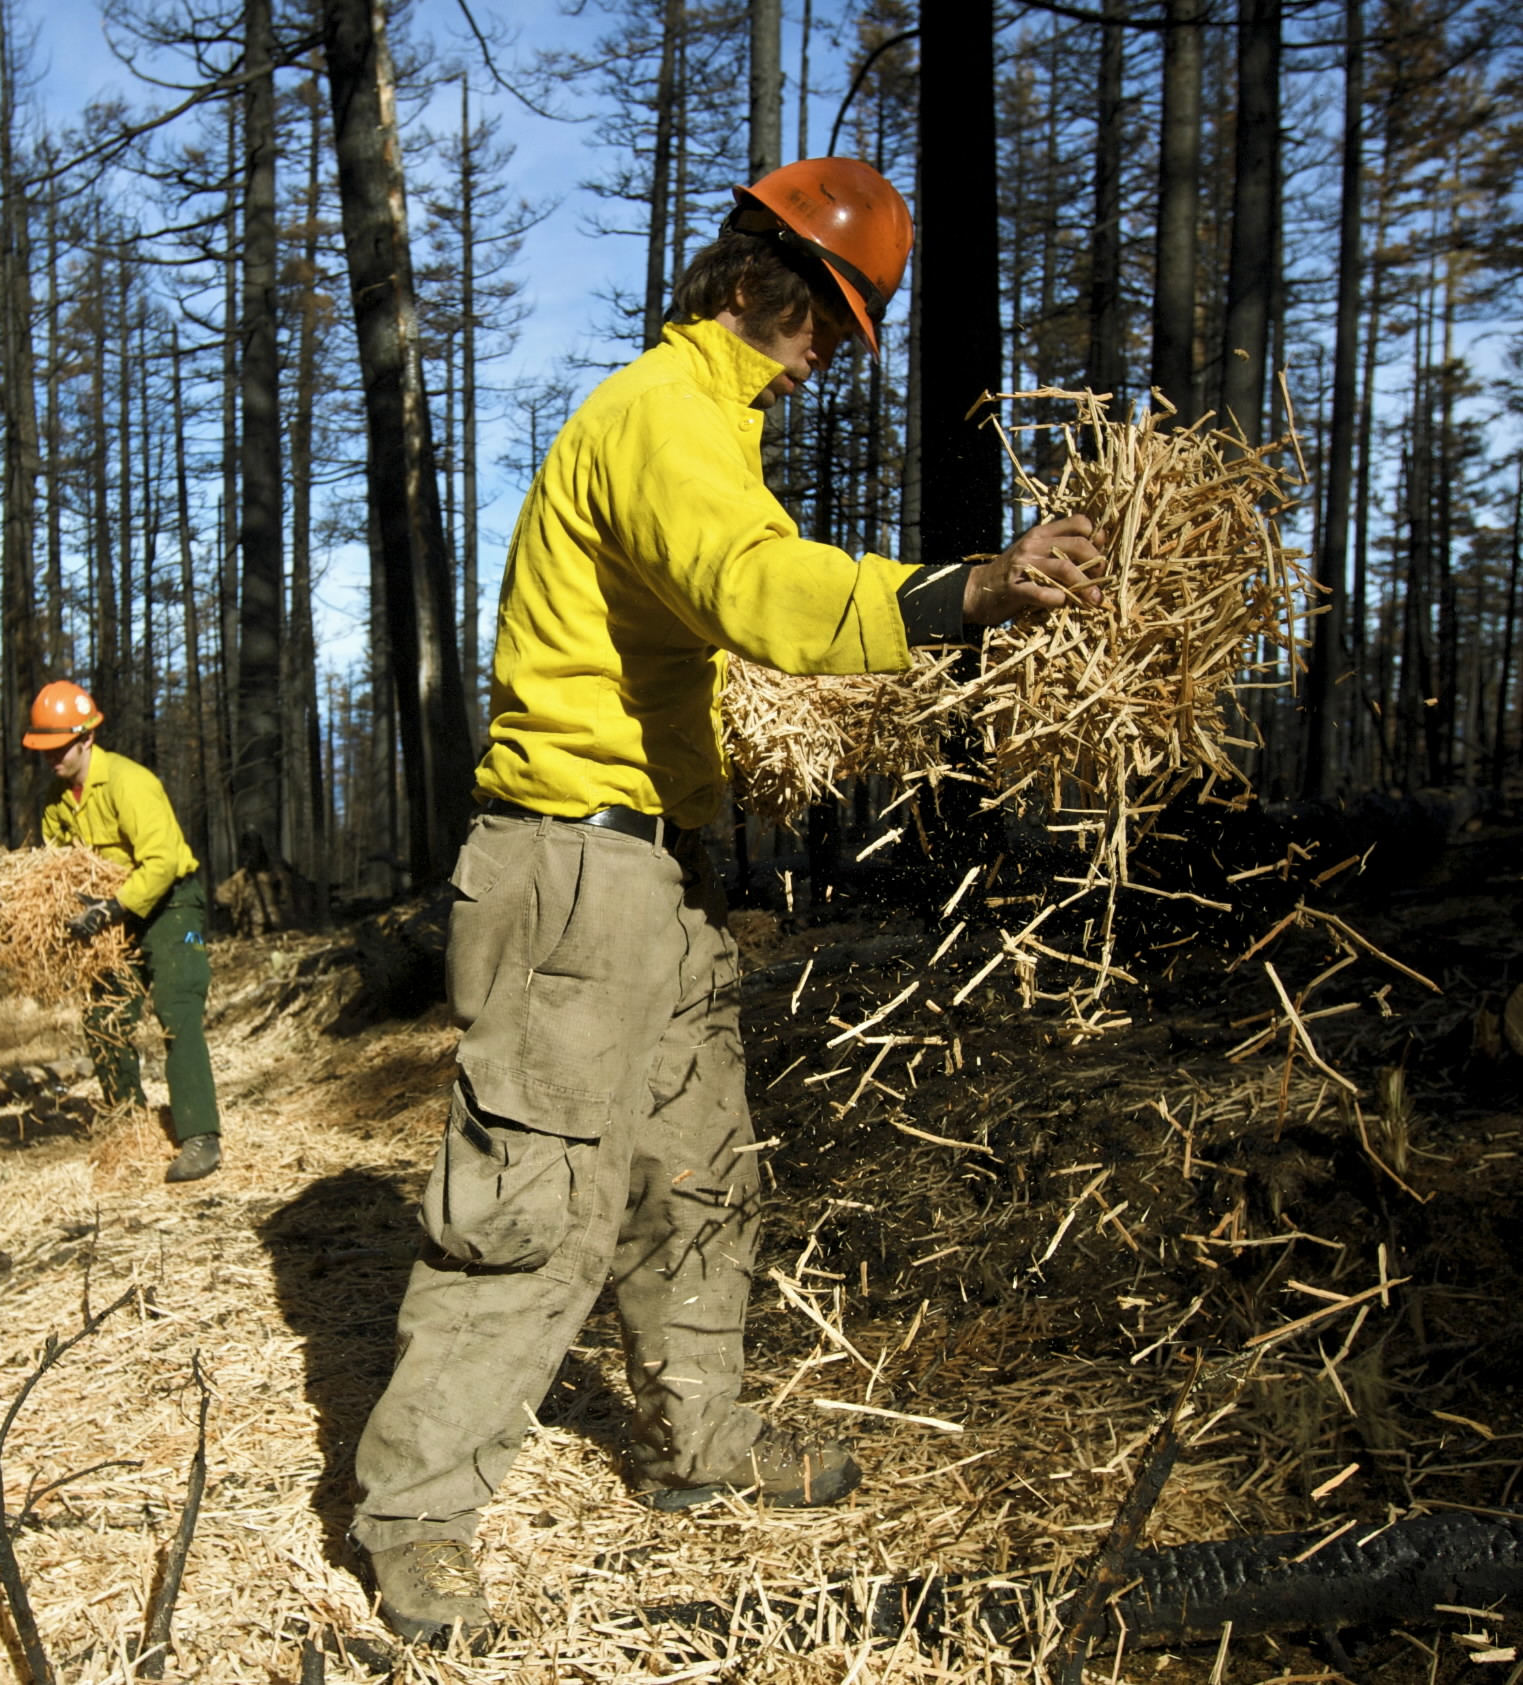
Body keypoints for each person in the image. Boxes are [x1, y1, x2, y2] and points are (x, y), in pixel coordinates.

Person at [349, 157, 1104, 1649]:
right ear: (758, 280)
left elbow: (710, 614)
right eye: (825, 315)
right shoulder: (661, 416)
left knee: (695, 1171)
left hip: (649, 870)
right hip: (569, 867)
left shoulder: (705, 422)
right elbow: (753, 587)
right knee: (534, 1208)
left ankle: (698, 1444)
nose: (826, 351)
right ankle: (414, 1517)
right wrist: (962, 592)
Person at [25, 680, 222, 1184]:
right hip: (111, 912)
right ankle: (125, 1119)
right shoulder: (55, 799)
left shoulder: (131, 783)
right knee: (103, 1013)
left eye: (57, 748)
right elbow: (60, 865)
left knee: (177, 1009)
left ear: (86, 738)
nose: (49, 758)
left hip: (169, 903)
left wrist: (112, 907)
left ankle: (200, 1136)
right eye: (42, 749)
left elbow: (160, 862)